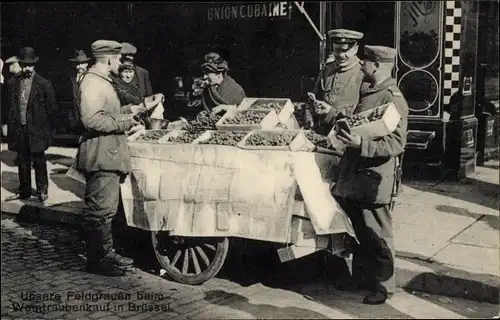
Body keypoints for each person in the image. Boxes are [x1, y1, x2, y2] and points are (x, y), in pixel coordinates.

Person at [331, 45, 408, 305]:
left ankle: (384, 287)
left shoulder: (392, 98)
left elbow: (396, 144)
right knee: (361, 232)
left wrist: (360, 145)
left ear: (376, 66)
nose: (362, 65)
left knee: (378, 235)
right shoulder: (371, 92)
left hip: (374, 178)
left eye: (365, 62)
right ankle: (362, 279)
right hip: (357, 176)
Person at [76, 40, 148, 276]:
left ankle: (104, 253)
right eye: (118, 58)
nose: (121, 63)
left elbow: (108, 113)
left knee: (105, 208)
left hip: (109, 152)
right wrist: (126, 122)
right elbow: (92, 119)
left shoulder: (102, 81)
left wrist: (131, 110)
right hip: (101, 153)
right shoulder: (92, 82)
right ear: (108, 59)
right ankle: (98, 260)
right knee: (100, 209)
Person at [4, 47, 57, 203]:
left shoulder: (44, 84)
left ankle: (42, 190)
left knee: (39, 159)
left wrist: (47, 130)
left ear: (35, 65)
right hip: (20, 127)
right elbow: (9, 106)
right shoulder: (13, 82)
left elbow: (52, 109)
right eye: (24, 65)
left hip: (37, 129)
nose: (27, 68)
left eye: (30, 65)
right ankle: (24, 190)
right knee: (22, 159)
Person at [307, 29, 365, 135]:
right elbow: (314, 97)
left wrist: (331, 112)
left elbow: (364, 115)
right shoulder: (327, 70)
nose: (341, 55)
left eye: (345, 51)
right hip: (323, 133)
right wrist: (312, 111)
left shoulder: (363, 73)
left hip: (348, 135)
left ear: (356, 49)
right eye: (337, 50)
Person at [68, 50, 91, 131]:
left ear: (87, 64)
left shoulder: (90, 77)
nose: (80, 66)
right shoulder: (72, 77)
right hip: (76, 115)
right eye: (77, 64)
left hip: (88, 113)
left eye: (82, 63)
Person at [1, 56, 23, 140]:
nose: (7, 68)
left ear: (14, 65)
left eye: (9, 66)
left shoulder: (15, 80)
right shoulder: (14, 79)